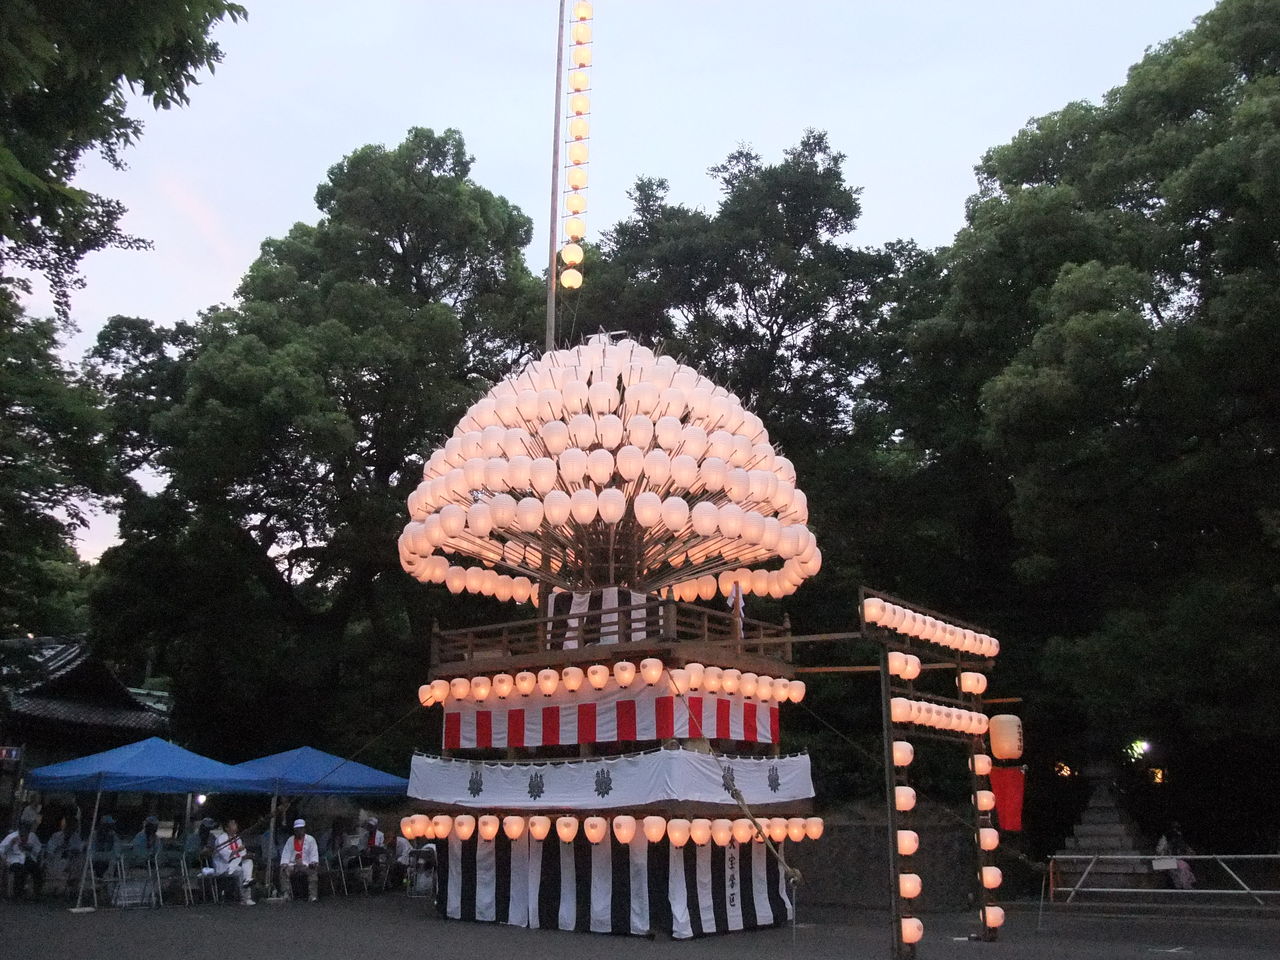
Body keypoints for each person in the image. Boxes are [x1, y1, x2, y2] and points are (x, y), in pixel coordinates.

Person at [212, 818, 255, 905]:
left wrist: (246, 855)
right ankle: (243, 898)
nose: (235, 826)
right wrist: (237, 850)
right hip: (224, 866)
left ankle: (247, 887)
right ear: (227, 828)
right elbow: (225, 856)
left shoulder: (237, 838)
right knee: (240, 871)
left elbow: (242, 854)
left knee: (248, 862)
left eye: (235, 824)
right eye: (232, 824)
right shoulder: (222, 839)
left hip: (236, 862)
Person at [279, 819, 319, 902]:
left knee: (313, 871)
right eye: (297, 829)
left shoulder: (311, 840)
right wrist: (284, 864)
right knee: (284, 871)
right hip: (293, 865)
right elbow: (286, 854)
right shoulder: (290, 840)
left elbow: (314, 855)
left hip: (306, 865)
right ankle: (287, 894)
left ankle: (312, 895)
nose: (299, 831)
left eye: (301, 828)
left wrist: (313, 863)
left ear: (304, 829)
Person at [1, 822, 43, 900]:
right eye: (22, 832)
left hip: (27, 858)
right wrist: (10, 844)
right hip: (14, 859)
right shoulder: (11, 837)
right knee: (20, 870)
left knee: (37, 870)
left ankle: (37, 894)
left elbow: (38, 848)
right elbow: (2, 849)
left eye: (26, 832)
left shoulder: (32, 836)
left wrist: (30, 849)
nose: (24, 834)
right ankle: (17, 893)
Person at [45, 816, 83, 895]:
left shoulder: (76, 837)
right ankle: (59, 888)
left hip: (71, 859)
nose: (71, 829)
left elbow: (78, 849)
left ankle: (71, 889)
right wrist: (60, 847)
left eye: (73, 827)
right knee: (62, 864)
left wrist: (71, 851)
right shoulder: (56, 836)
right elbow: (50, 850)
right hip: (57, 859)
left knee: (78, 862)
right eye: (70, 827)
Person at [1156, 822, 1196, 889]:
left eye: (1177, 828)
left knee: (1183, 866)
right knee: (1182, 867)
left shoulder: (1180, 841)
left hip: (1176, 862)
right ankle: (1183, 886)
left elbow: (1190, 852)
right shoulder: (1166, 839)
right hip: (1164, 862)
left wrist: (1190, 853)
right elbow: (1159, 852)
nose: (1176, 831)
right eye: (1174, 828)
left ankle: (1184, 886)